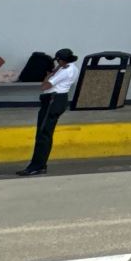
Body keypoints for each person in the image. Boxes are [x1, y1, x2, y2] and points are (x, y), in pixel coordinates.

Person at [16, 48, 77, 176]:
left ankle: (37, 166)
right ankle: (40, 164)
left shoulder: (64, 71)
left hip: (53, 100)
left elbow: (45, 85)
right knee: (45, 133)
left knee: (43, 134)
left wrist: (49, 74)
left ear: (61, 60)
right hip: (57, 99)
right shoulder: (71, 67)